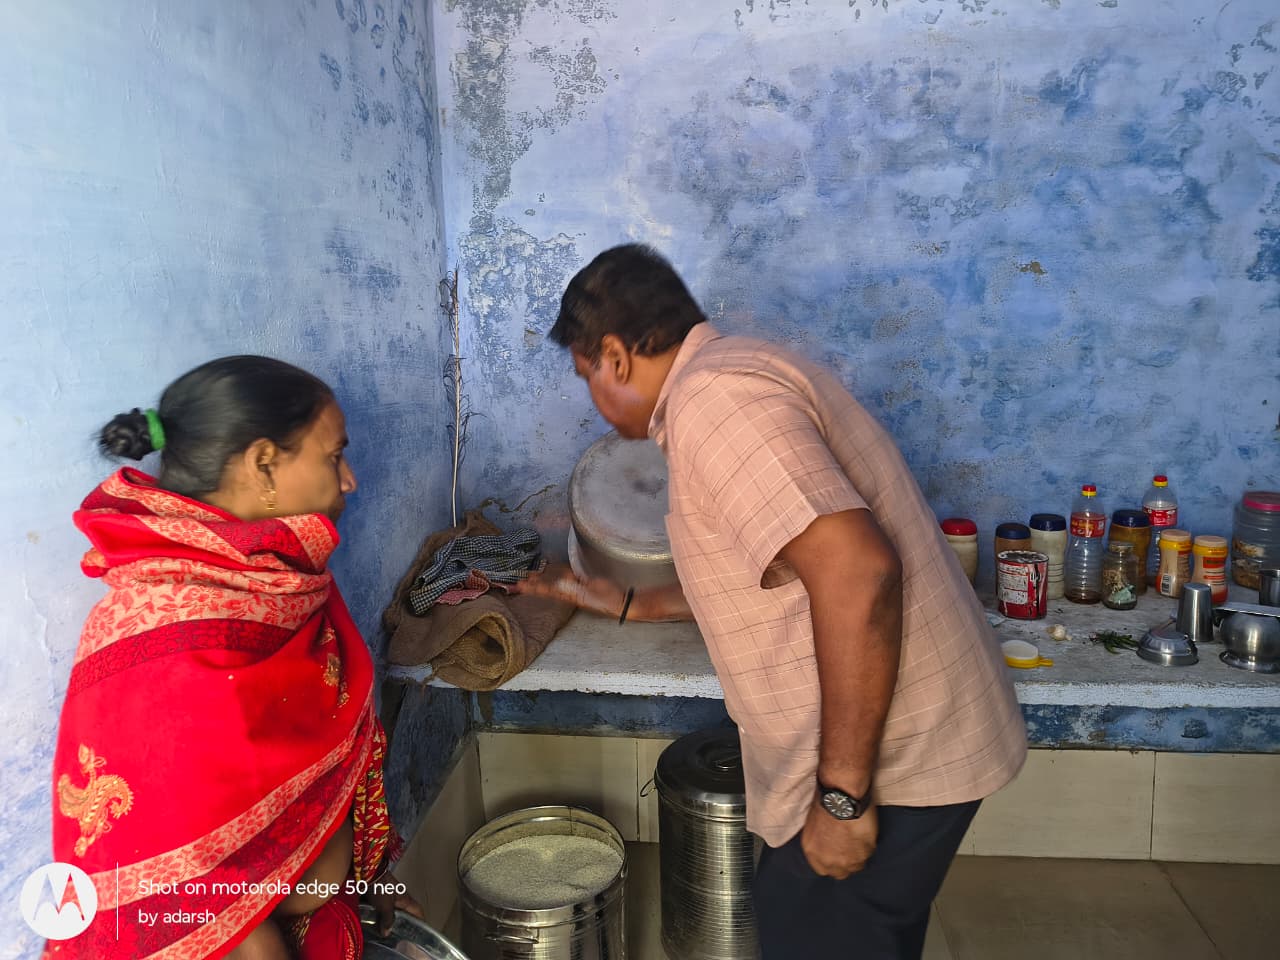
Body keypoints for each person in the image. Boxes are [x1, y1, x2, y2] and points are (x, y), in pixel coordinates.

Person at [519, 245, 1028, 959]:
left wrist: (841, 799)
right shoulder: (737, 372)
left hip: (891, 760)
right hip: (904, 738)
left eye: (586, 376)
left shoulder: (715, 403)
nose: (592, 399)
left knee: (815, 936)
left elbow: (858, 574)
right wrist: (632, 602)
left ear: (615, 355)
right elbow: (773, 567)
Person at [45, 356, 420, 960]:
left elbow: (302, 791)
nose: (349, 480)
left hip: (311, 914)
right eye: (334, 457)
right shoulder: (168, 640)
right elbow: (189, 903)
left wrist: (365, 879)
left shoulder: (277, 587)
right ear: (264, 464)